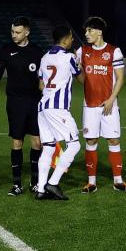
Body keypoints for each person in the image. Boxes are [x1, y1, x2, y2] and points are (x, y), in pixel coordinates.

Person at [0, 16, 45, 196]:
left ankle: (35, 182)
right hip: (15, 102)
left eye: (18, 32)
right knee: (17, 141)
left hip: (35, 102)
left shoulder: (37, 51)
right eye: (12, 31)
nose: (14, 35)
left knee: (37, 141)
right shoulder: (6, 50)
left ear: (27, 32)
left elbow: (43, 78)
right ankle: (17, 184)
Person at [77, 16, 126, 192]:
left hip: (109, 105)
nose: (86, 34)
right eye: (86, 31)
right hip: (90, 105)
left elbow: (121, 78)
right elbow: (80, 77)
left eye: (90, 30)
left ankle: (118, 180)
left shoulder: (114, 51)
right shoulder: (81, 52)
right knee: (91, 140)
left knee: (113, 140)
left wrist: (111, 98)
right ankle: (91, 182)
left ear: (99, 32)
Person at [34, 26, 84, 200]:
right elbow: (82, 79)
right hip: (58, 108)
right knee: (75, 144)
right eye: (71, 38)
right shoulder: (69, 57)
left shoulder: (44, 57)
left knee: (48, 148)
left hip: (43, 107)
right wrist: (79, 62)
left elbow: (41, 85)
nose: (72, 40)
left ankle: (41, 189)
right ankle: (53, 183)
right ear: (65, 39)